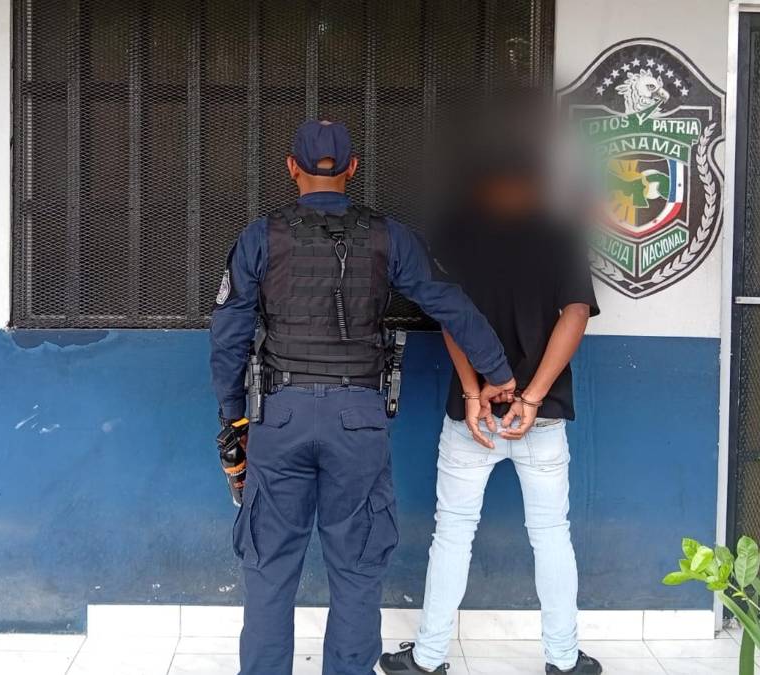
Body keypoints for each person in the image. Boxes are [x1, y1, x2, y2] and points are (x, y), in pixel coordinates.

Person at [210, 119, 516, 675]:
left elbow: (229, 336)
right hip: (359, 420)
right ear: (352, 168)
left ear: (291, 167)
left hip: (280, 417)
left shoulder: (261, 236)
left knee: (268, 568)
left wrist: (234, 419)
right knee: (357, 569)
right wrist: (496, 370)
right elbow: (447, 301)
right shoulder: (388, 236)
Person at [379, 151, 603, 674]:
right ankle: (564, 660)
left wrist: (474, 391)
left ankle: (429, 659)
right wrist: (533, 396)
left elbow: (451, 316)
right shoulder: (559, 233)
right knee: (552, 535)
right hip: (541, 415)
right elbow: (575, 314)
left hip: (472, 416)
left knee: (452, 534)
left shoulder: (462, 234)